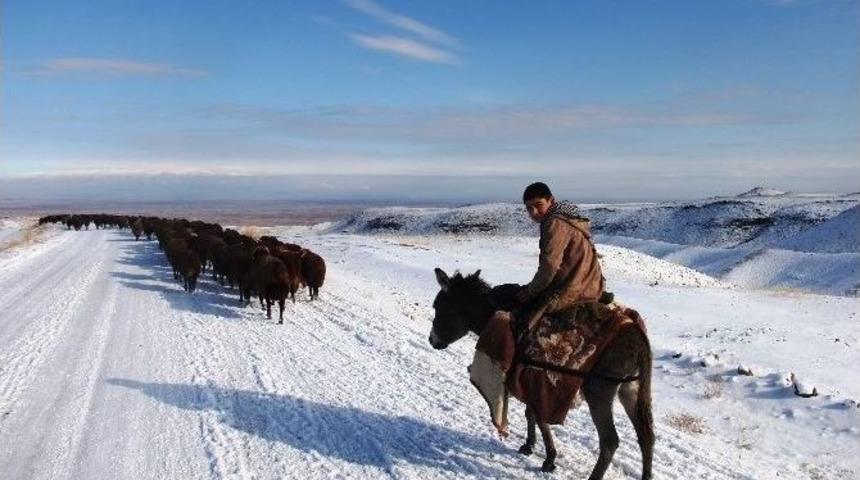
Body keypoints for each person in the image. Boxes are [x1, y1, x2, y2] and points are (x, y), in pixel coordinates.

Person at [514, 182, 606, 336]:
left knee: (519, 325)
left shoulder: (554, 222)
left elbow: (549, 267)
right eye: (529, 208)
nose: (534, 212)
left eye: (538, 205)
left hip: (573, 289)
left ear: (552, 201)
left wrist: (529, 293)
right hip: (590, 284)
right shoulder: (570, 218)